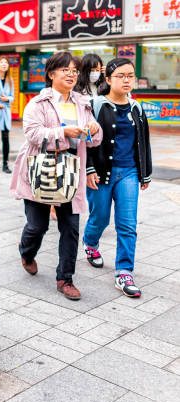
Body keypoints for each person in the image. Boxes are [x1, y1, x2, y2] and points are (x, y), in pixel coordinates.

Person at [9, 52, 102, 300]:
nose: (72, 74)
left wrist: (93, 128)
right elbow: (32, 133)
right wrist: (62, 131)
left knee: (71, 229)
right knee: (37, 226)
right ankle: (27, 251)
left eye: (74, 70)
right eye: (66, 70)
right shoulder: (37, 103)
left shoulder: (82, 103)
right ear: (51, 74)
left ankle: (65, 278)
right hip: (42, 170)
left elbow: (95, 138)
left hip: (71, 171)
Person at [82, 58, 152, 297]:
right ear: (109, 79)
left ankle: (124, 272)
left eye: (130, 75)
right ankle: (90, 243)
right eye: (121, 75)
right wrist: (89, 170)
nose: (126, 80)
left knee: (127, 224)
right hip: (101, 173)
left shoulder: (137, 107)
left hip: (129, 173)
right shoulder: (96, 105)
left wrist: (145, 173)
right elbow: (86, 142)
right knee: (100, 218)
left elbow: (144, 142)